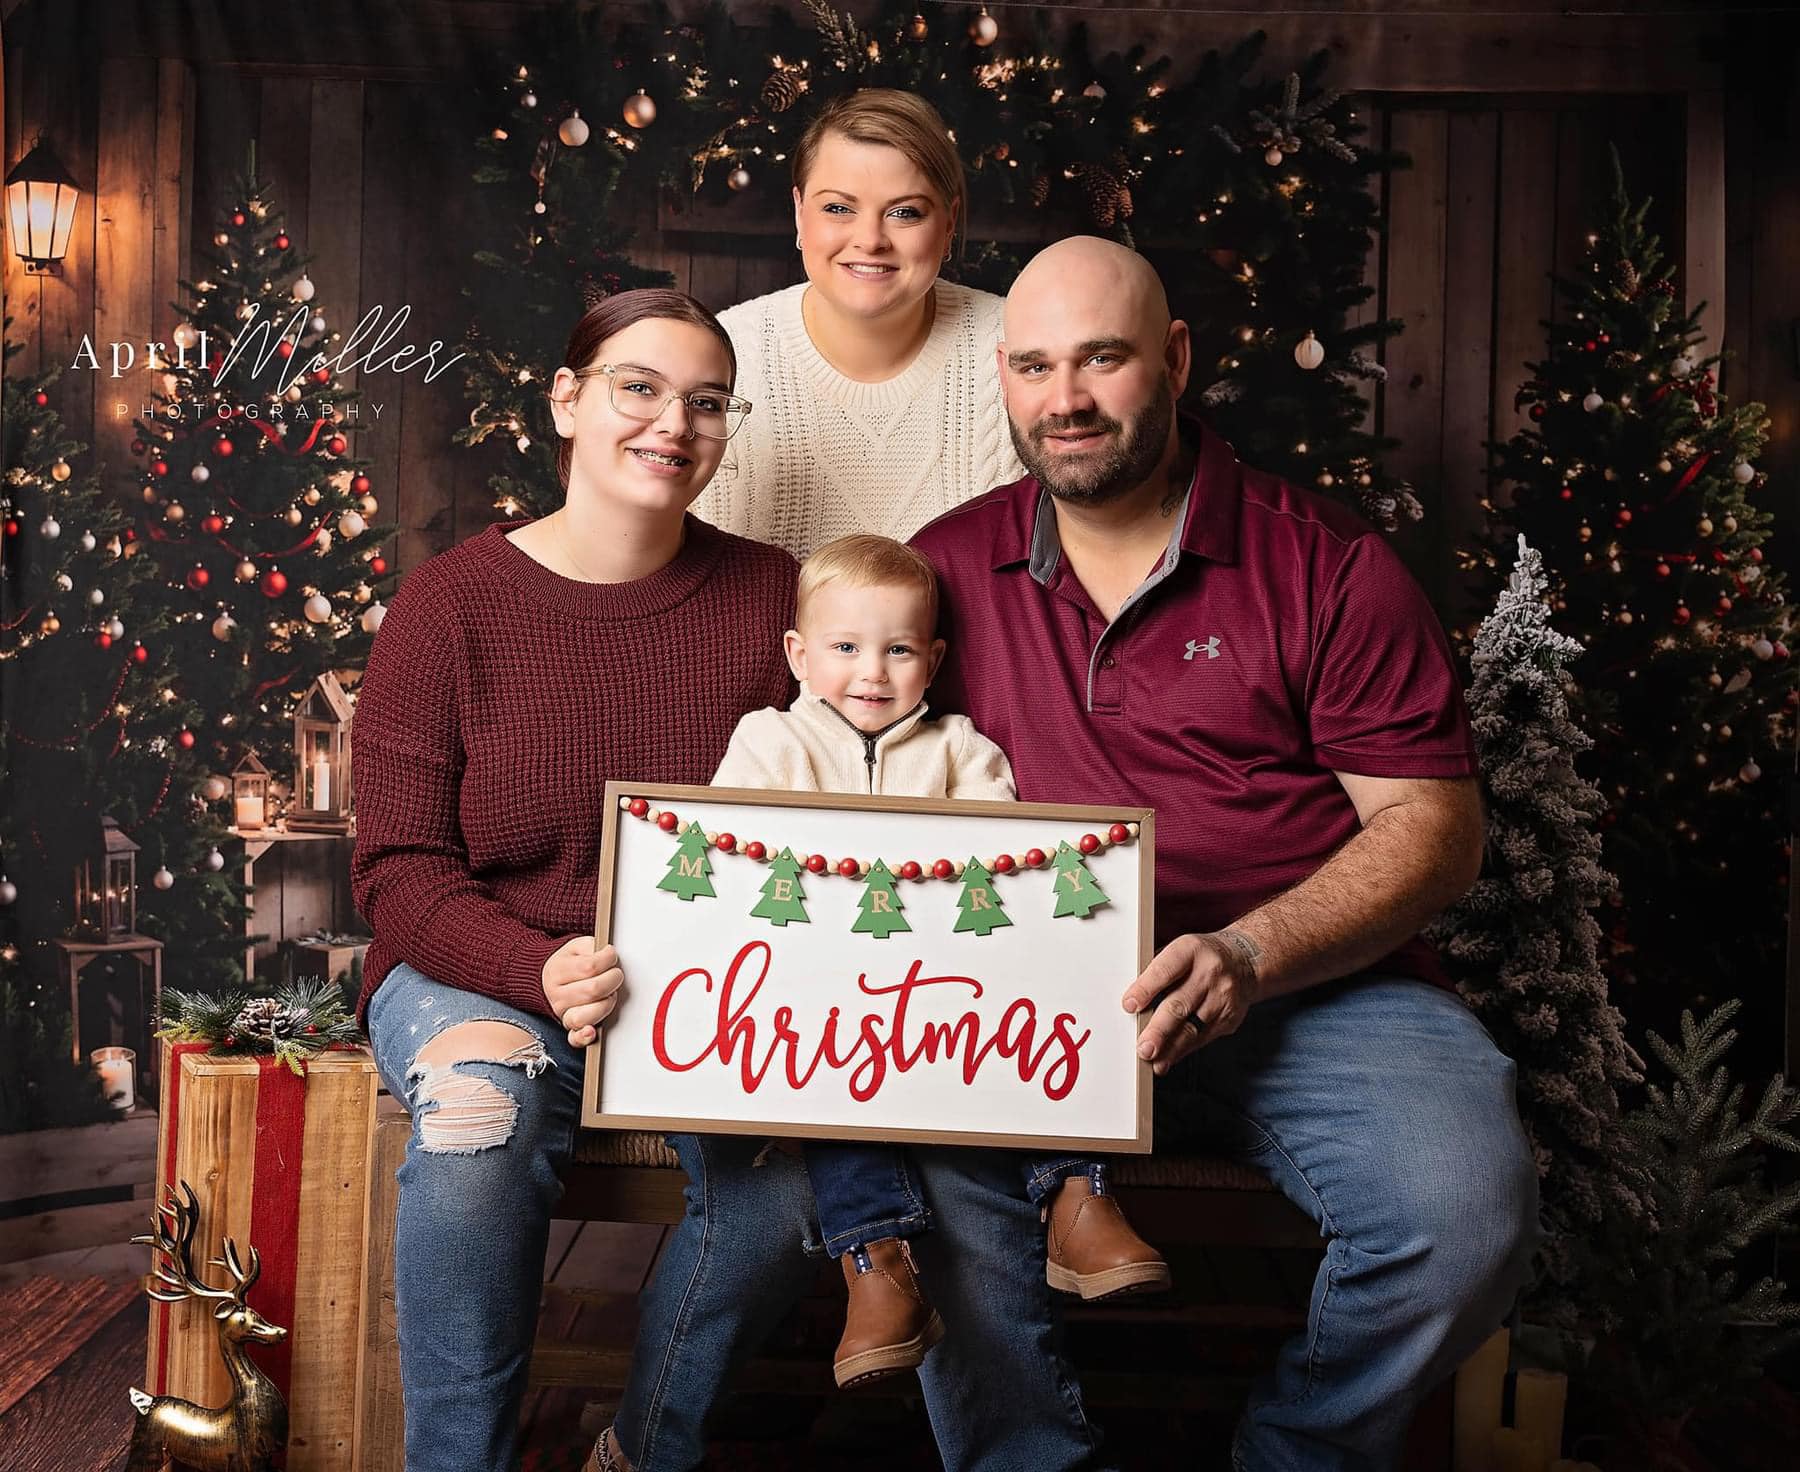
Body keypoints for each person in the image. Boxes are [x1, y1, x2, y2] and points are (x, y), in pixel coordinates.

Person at [906, 235, 1541, 1470]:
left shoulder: (1330, 565)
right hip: (1035, 1004)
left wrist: (1254, 950)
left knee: (1466, 1210)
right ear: (1003, 378)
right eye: (1034, 366)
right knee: (923, 1161)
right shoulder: (944, 567)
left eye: (1102, 357)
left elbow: (1436, 827)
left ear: (1177, 359)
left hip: (1311, 985)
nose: (1066, 398)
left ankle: (1295, 1454)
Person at [350, 287, 798, 1472]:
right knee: (477, 1124)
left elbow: (823, 819)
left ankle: (640, 1451)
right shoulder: (449, 604)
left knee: (787, 1188)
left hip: (704, 985)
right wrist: (533, 968)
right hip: (479, 966)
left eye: (708, 403)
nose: (673, 424)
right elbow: (398, 869)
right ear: (566, 399)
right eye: (638, 387)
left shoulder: (775, 600)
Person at [709, 533, 1169, 1393]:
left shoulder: (964, 750)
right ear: (799, 656)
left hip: (950, 994)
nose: (871, 672)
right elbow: (742, 856)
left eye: (898, 650)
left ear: (935, 659)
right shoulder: (768, 742)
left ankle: (1075, 1190)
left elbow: (999, 865)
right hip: (821, 1006)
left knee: (1034, 1014)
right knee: (831, 1094)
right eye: (845, 648)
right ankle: (876, 1261)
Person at [690, 88, 1023, 556]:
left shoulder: (1023, 348)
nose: (870, 240)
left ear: (948, 224)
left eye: (905, 212)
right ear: (799, 213)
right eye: (838, 208)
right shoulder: (720, 356)